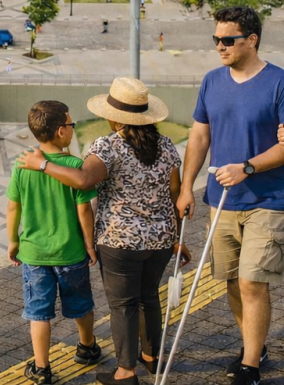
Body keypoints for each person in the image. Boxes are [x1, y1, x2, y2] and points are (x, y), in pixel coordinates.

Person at [19, 78, 189, 385]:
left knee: (123, 305)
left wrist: (41, 164)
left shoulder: (108, 147)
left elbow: (83, 180)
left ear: (114, 117)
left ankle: (125, 372)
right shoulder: (165, 145)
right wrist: (177, 238)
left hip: (120, 241)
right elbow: (174, 192)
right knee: (149, 297)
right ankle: (151, 358)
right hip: (161, 238)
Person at [178, 7, 284, 385]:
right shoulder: (211, 81)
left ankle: (251, 365)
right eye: (216, 40)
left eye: (228, 40)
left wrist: (248, 167)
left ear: (251, 40)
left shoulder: (278, 83)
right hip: (221, 203)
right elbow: (199, 137)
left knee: (252, 282)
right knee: (231, 282)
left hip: (268, 202)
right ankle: (254, 344)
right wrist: (187, 187)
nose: (219, 46)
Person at [6, 101, 100, 384]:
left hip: (34, 254)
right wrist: (90, 244)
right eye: (71, 125)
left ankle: (42, 368)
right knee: (81, 305)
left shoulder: (23, 163)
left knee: (39, 313)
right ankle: (86, 347)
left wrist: (12, 240)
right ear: (61, 131)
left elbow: (13, 206)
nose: (73, 129)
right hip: (71, 253)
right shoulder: (74, 166)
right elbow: (84, 211)